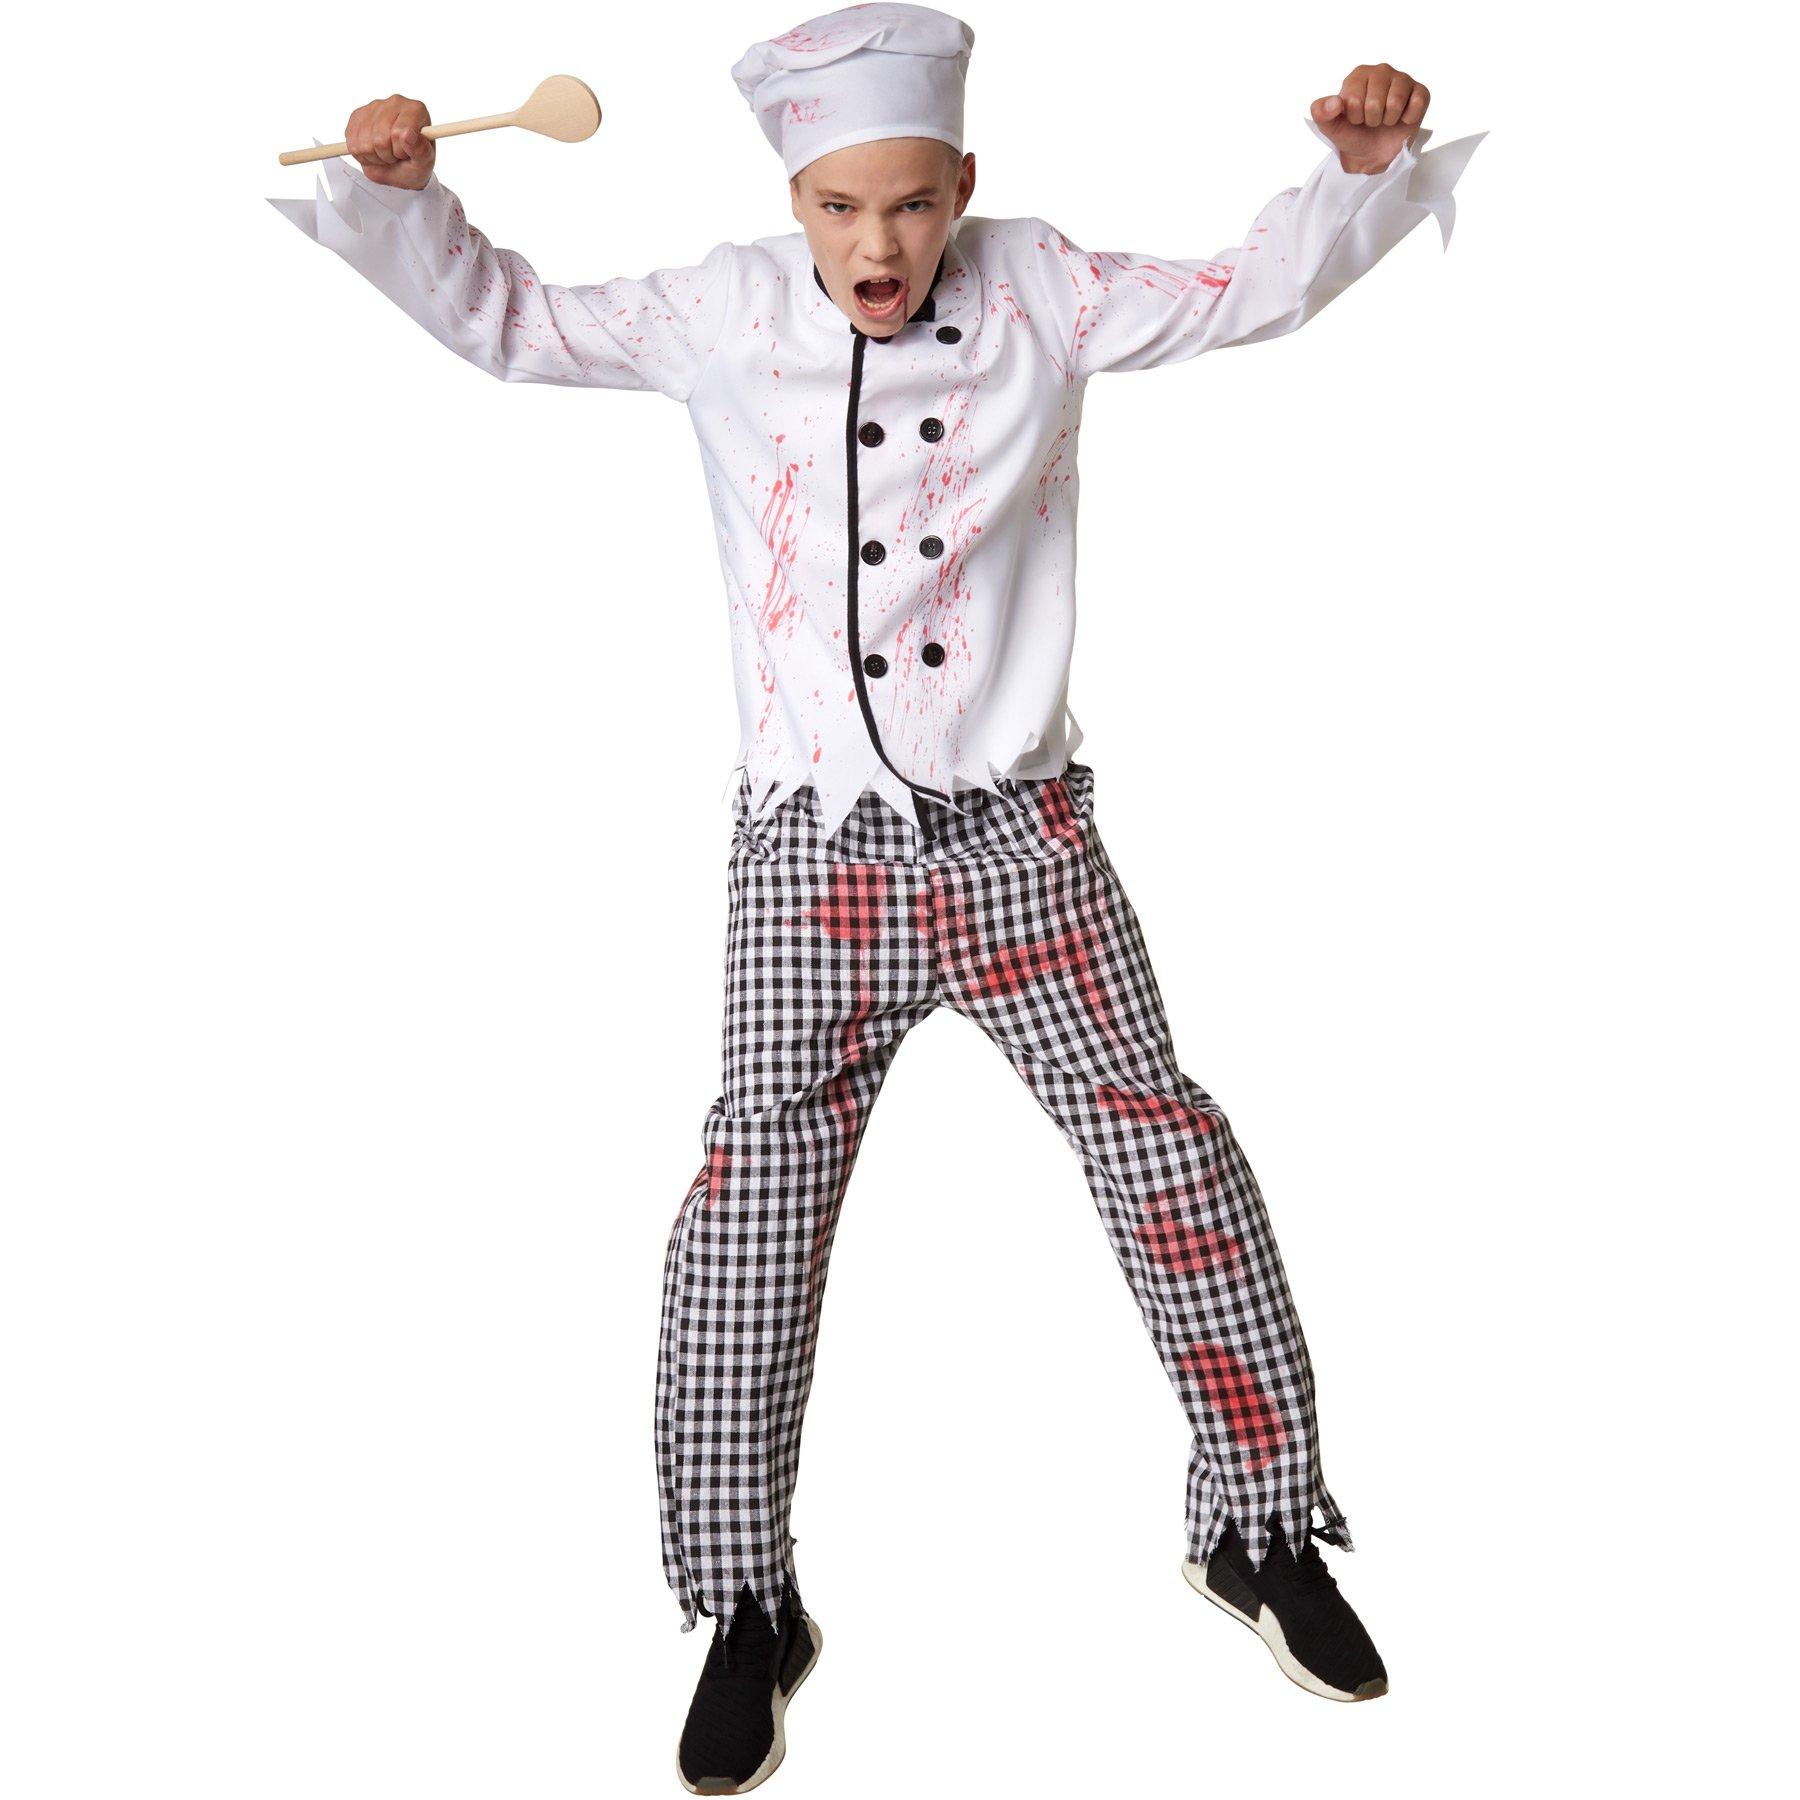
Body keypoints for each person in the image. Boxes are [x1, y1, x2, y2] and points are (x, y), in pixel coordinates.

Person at [270, 5, 1485, 1790]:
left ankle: (1259, 1526)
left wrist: (1354, 172)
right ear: (796, 198)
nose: (878, 243)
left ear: (963, 186)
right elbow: (510, 324)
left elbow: (1250, 290)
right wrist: (402, 194)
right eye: (842, 206)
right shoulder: (724, 312)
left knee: (1174, 1162)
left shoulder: (1045, 288)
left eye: (912, 204)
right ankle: (744, 1603)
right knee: (750, 1223)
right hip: (811, 854)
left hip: (1024, 844)